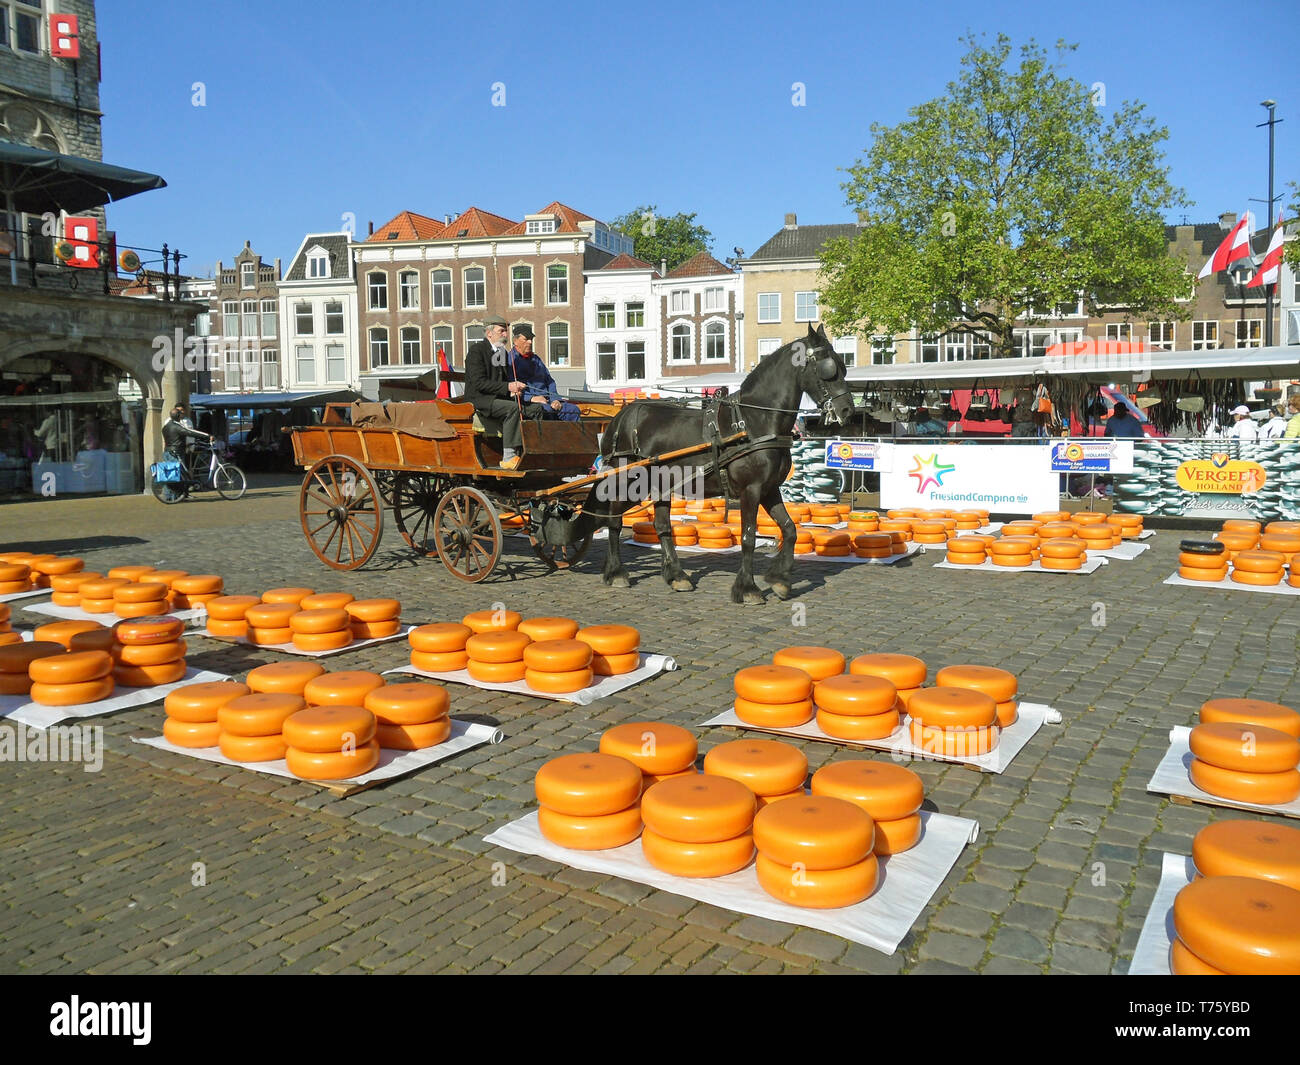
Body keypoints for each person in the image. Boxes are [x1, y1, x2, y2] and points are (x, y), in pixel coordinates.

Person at [463, 314, 543, 470]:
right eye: (502, 331)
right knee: (513, 409)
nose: (506, 335)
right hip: (480, 400)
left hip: (498, 399)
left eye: (506, 331)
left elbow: (503, 381)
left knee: (536, 409)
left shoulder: (502, 353)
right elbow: (479, 383)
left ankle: (532, 452)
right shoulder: (476, 351)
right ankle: (508, 457)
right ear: (489, 333)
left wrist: (513, 391)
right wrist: (508, 387)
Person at [507, 325, 581, 422]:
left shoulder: (536, 359)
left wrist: (556, 399)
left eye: (531, 339)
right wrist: (532, 398)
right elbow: (512, 387)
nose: (530, 342)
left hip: (549, 400)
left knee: (573, 410)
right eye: (526, 339)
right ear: (515, 341)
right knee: (547, 411)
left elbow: (549, 381)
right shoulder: (511, 360)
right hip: (531, 403)